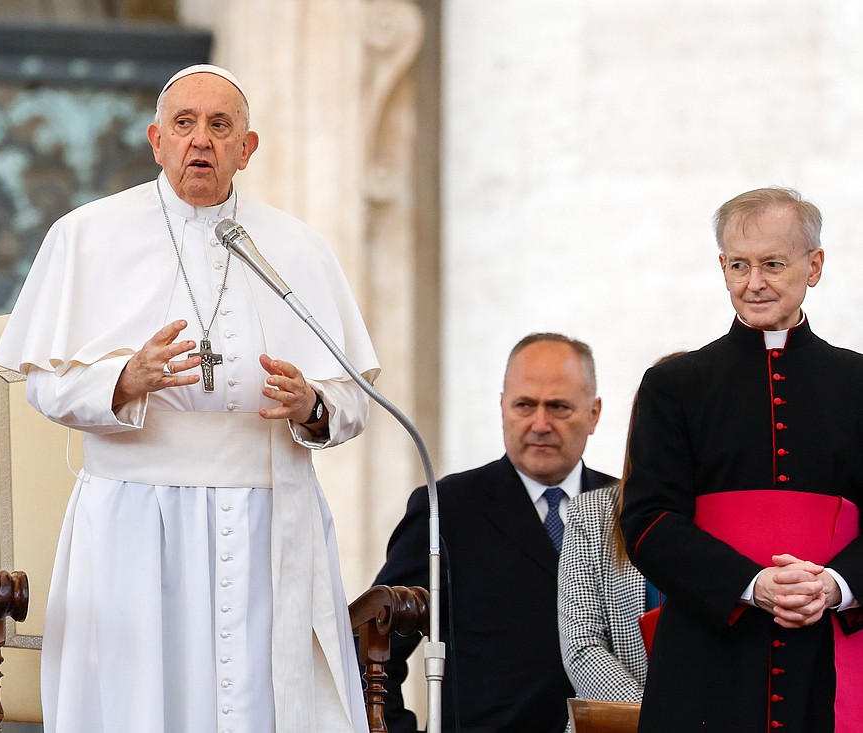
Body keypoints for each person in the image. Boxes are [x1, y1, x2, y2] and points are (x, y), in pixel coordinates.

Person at [0, 64, 379, 733]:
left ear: (246, 148)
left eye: (220, 125)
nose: (202, 139)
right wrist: (122, 380)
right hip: (135, 524)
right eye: (185, 123)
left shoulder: (297, 247)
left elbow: (356, 398)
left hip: (269, 523)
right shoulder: (87, 236)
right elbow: (46, 385)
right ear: (156, 139)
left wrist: (311, 403)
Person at [620, 187, 863, 733]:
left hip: (830, 649)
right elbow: (649, 520)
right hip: (708, 653)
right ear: (722, 268)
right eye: (738, 265)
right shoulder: (674, 385)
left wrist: (835, 587)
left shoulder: (857, 384)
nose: (754, 283)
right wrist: (751, 584)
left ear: (814, 265)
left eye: (773, 263)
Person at [370, 333, 616, 733]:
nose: (540, 424)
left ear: (594, 413)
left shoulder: (628, 509)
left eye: (558, 407)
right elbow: (377, 646)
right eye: (525, 405)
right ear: (502, 407)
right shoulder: (446, 509)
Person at [557, 357, 686, 705]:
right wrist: (659, 720)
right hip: (623, 721)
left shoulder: (741, 514)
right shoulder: (593, 513)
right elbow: (582, 646)